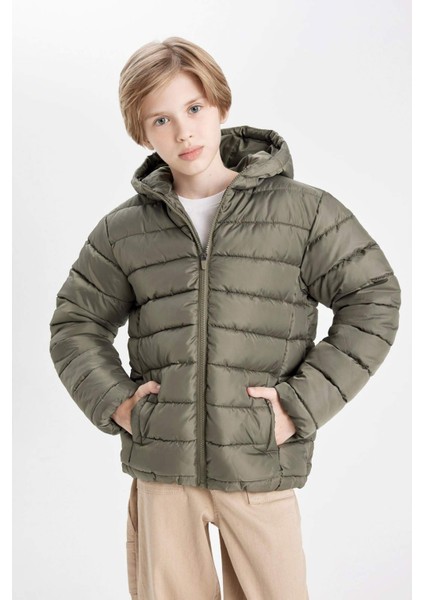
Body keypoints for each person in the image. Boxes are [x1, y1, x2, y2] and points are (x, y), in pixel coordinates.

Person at [49, 36, 401, 600]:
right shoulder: (123, 231)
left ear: (219, 105)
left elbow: (374, 298)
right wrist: (119, 403)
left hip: (259, 461)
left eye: (194, 108)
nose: (183, 132)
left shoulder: (303, 212)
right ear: (142, 132)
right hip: (163, 471)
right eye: (161, 120)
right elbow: (75, 325)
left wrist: (299, 405)